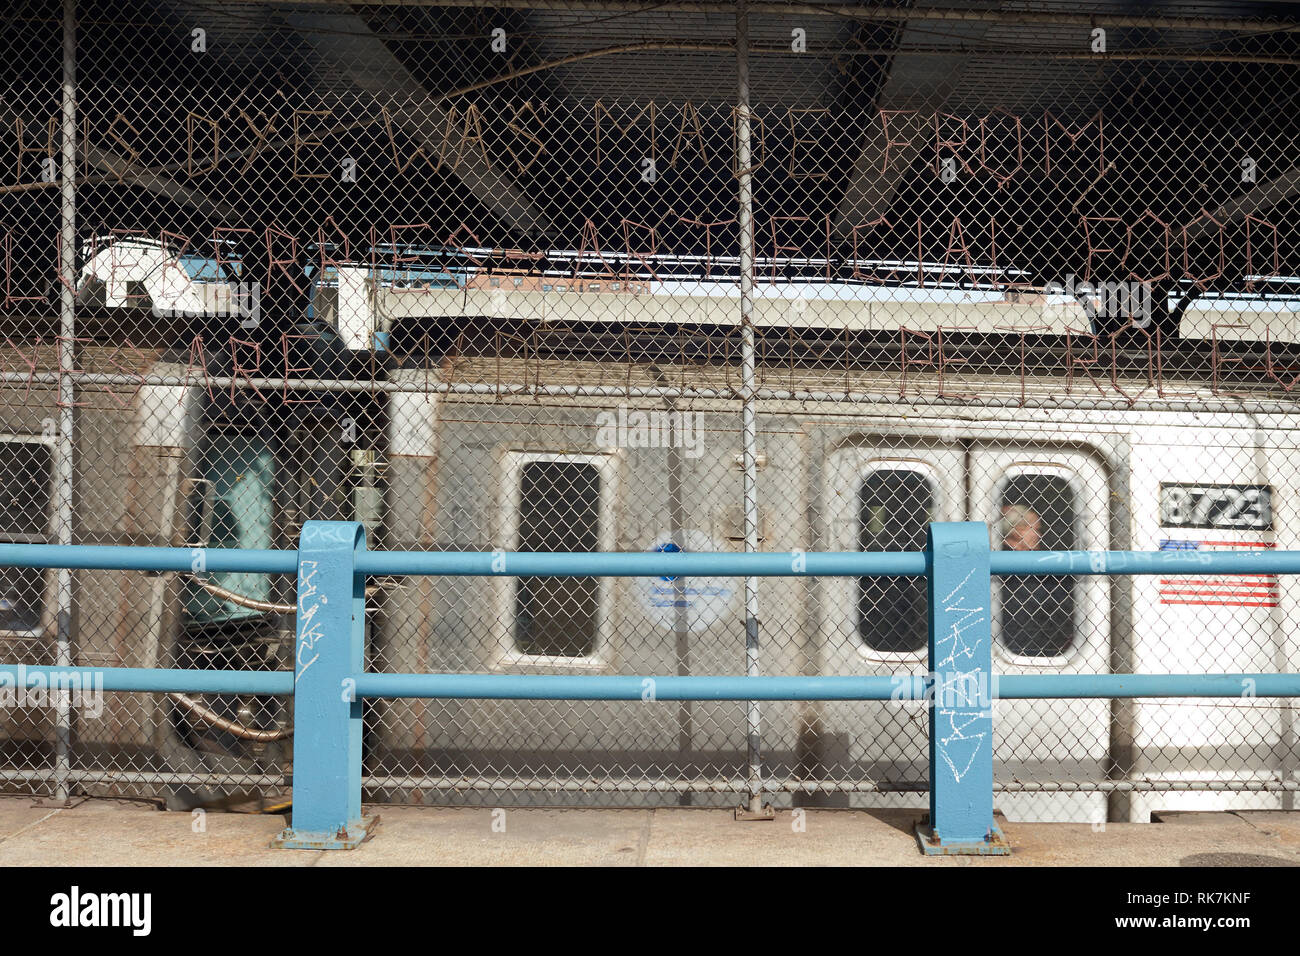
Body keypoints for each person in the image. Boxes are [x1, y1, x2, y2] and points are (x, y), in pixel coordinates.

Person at [999, 502, 1073, 656]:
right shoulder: (1017, 572)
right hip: (1026, 644)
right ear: (1016, 530)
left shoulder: (1028, 563)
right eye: (1033, 529)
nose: (1038, 535)